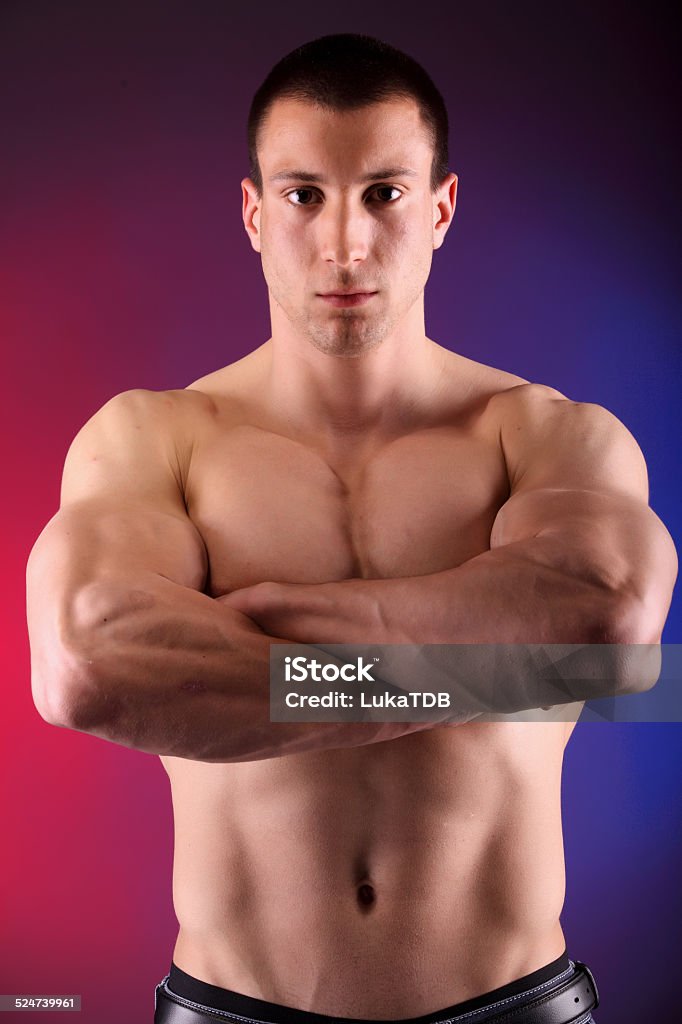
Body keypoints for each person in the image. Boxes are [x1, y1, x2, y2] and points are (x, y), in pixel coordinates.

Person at [26, 33, 676, 1024]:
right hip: (234, 1007)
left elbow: (610, 630)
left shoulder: (546, 437)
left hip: (511, 1005)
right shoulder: (156, 439)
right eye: (302, 195)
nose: (343, 243)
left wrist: (261, 655)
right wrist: (481, 654)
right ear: (252, 212)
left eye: (382, 193)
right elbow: (89, 666)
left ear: (440, 207)